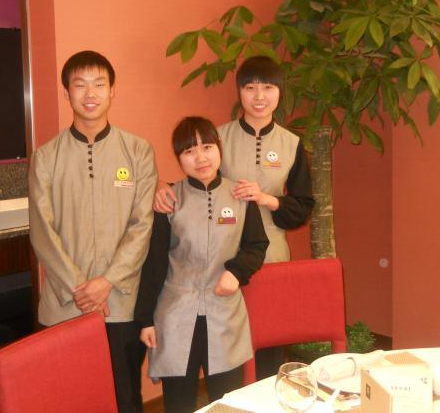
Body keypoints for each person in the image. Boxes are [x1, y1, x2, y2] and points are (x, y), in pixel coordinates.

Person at [154, 56, 315, 379]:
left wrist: (266, 199)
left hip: (272, 257)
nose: (259, 96)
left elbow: (302, 206)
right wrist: (160, 186)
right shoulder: (218, 138)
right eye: (250, 88)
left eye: (268, 88)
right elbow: (197, 186)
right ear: (239, 91)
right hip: (223, 264)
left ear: (279, 92)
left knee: (270, 348)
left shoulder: (291, 143)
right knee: (228, 354)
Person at [28, 50, 157, 413]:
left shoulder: (138, 151)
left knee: (124, 398)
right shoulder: (46, 157)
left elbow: (142, 224)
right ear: (66, 92)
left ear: (112, 90)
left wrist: (107, 281)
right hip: (64, 303)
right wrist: (80, 288)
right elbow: (42, 231)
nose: (90, 94)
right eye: (80, 85)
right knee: (66, 399)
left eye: (99, 84)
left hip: (120, 302)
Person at [135, 116, 269, 413]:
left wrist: (236, 272)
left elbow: (257, 245)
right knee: (179, 404)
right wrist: (145, 319)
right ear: (179, 158)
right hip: (176, 315)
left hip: (224, 314)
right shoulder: (169, 200)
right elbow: (154, 263)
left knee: (227, 402)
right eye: (189, 151)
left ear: (218, 148)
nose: (200, 158)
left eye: (207, 147)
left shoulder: (240, 196)